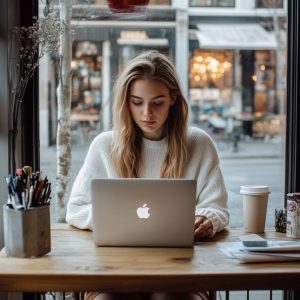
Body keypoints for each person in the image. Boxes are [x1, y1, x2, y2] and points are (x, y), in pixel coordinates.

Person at [66, 50, 229, 300]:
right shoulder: (103, 145)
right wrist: (113, 219)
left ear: (173, 98)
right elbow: (75, 209)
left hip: (182, 272)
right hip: (113, 272)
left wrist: (208, 219)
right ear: (126, 101)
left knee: (170, 296)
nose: (146, 114)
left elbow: (216, 207)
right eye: (137, 102)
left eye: (157, 102)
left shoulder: (199, 143)